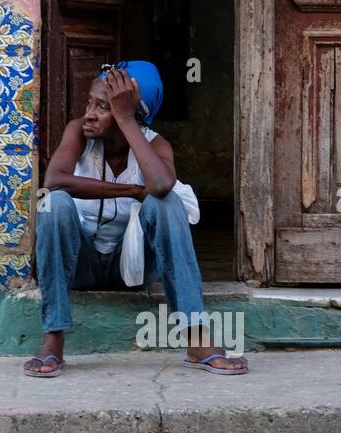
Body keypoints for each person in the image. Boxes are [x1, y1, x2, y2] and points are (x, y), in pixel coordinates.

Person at [23, 61, 249, 377]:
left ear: (131, 113)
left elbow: (160, 185)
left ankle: (197, 339)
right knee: (52, 203)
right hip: (82, 265)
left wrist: (126, 120)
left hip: (132, 268)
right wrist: (131, 189)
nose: (89, 113)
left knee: (166, 203)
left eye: (103, 107)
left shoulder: (155, 143)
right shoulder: (78, 132)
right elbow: (55, 179)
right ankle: (53, 338)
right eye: (90, 102)